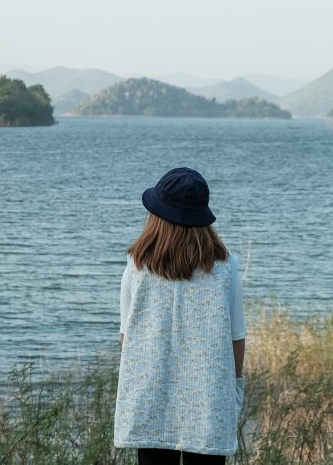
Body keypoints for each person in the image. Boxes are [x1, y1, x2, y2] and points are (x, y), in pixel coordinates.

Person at [114, 167, 246, 464]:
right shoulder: (226, 268)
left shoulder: (137, 265)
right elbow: (236, 338)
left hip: (150, 399)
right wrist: (235, 389)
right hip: (209, 401)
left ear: (157, 216)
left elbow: (126, 337)